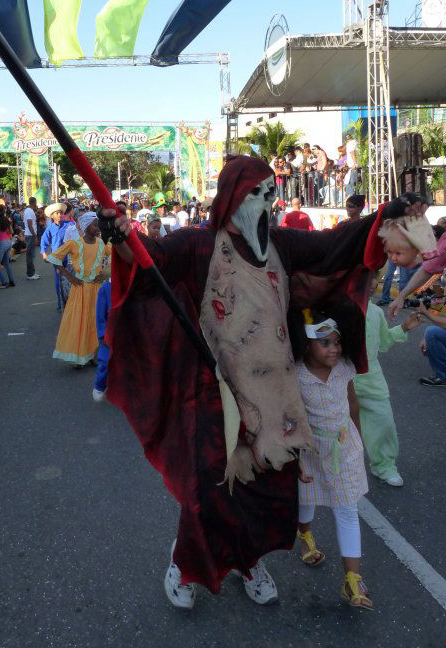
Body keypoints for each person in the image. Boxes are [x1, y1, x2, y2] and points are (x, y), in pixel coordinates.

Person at [102, 157, 422, 610]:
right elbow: (151, 260)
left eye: (269, 192)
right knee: (209, 488)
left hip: (275, 394)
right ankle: (184, 564)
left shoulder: (281, 245)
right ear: (231, 197)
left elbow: (335, 244)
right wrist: (122, 238)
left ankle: (251, 562)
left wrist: (387, 213)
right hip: (216, 392)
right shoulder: (198, 244)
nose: (264, 201)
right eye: (254, 192)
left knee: (270, 488)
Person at [292, 308, 372, 610]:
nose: (334, 348)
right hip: (310, 449)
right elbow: (292, 418)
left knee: (347, 510)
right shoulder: (297, 375)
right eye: (325, 342)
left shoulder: (345, 367)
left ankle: (353, 580)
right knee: (306, 499)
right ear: (307, 344)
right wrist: (295, 457)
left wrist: (359, 442)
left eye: (337, 341)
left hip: (344, 446)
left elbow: (352, 402)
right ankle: (306, 535)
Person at [354, 275, 421, 486]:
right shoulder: (339, 308)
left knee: (384, 423)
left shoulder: (375, 312)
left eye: (374, 276)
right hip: (341, 379)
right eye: (365, 275)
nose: (370, 281)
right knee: (333, 428)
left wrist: (404, 328)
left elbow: (383, 342)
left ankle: (384, 466)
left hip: (371, 380)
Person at [47, 212, 110, 367]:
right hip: (80, 290)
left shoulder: (101, 243)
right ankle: (78, 356)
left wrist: (105, 273)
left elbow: (115, 255)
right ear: (86, 226)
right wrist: (70, 276)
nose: (97, 228)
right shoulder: (75, 244)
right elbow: (55, 257)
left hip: (96, 289)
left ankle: (93, 354)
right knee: (79, 321)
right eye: (94, 224)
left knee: (95, 322)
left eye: (97, 224)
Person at [40, 202, 72, 310]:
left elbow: (78, 235)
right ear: (52, 216)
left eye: (60, 213)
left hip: (69, 257)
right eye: (57, 213)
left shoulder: (69, 225)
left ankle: (70, 301)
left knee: (69, 279)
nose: (59, 215)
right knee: (58, 280)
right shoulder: (50, 228)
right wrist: (44, 253)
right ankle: (60, 302)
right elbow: (44, 241)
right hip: (56, 259)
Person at [93, 277, 112, 403]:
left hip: (127, 333)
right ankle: (99, 386)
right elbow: (100, 316)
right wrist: (103, 334)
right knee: (105, 362)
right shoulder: (105, 289)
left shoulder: (131, 287)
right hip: (109, 333)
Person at [23, 197, 40, 280]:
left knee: (31, 255)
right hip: (30, 235)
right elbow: (30, 224)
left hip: (30, 235)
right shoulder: (29, 211)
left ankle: (32, 272)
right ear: (34, 202)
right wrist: (35, 236)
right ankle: (30, 274)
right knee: (29, 255)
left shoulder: (29, 211)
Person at [345, 133, 359, 198]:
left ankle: (351, 198)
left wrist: (355, 163)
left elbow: (352, 153)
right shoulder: (356, 142)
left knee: (350, 183)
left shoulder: (350, 144)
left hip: (354, 166)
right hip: (356, 165)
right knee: (354, 183)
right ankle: (352, 197)